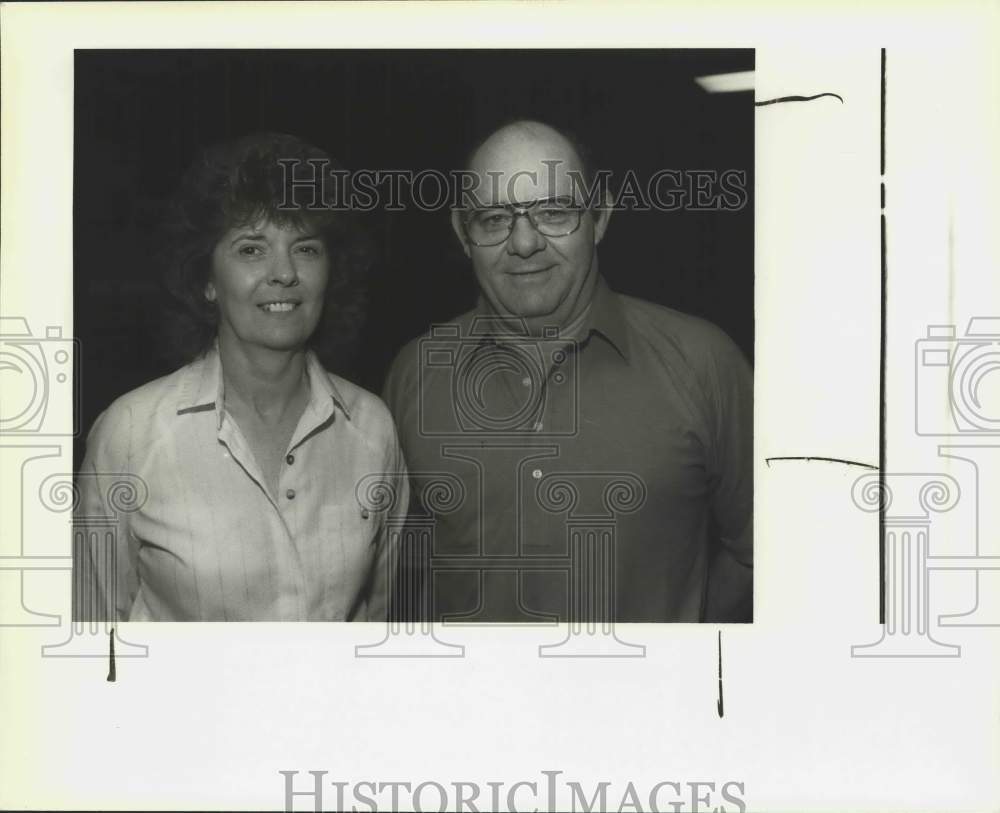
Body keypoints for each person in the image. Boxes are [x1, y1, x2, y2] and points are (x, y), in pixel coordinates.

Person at [383, 120, 752, 623]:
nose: (525, 242)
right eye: (494, 218)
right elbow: (397, 573)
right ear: (462, 233)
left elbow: (760, 550)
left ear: (599, 217)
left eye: (554, 212)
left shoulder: (704, 362)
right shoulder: (414, 375)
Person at [74, 132, 407, 622]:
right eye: (252, 249)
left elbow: (375, 629)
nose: (284, 274)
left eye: (306, 248)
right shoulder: (130, 434)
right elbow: (93, 639)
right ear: (206, 279)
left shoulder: (372, 429)